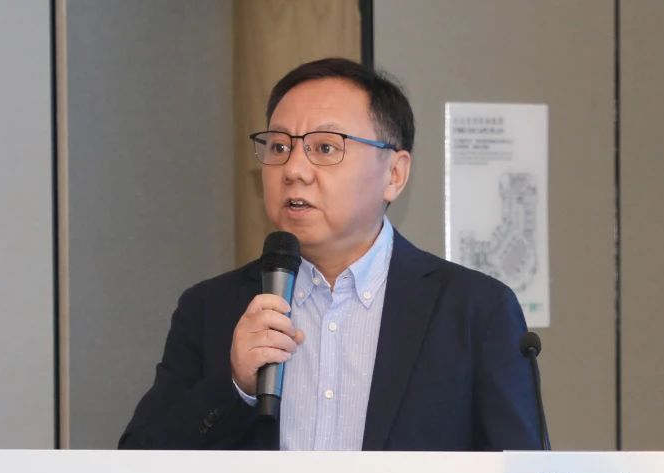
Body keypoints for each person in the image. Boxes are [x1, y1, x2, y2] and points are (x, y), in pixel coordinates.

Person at [119, 57, 540, 451]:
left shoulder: (474, 310)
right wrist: (234, 386)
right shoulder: (210, 308)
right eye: (279, 147)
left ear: (394, 174)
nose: (293, 170)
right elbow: (139, 463)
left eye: (324, 148)